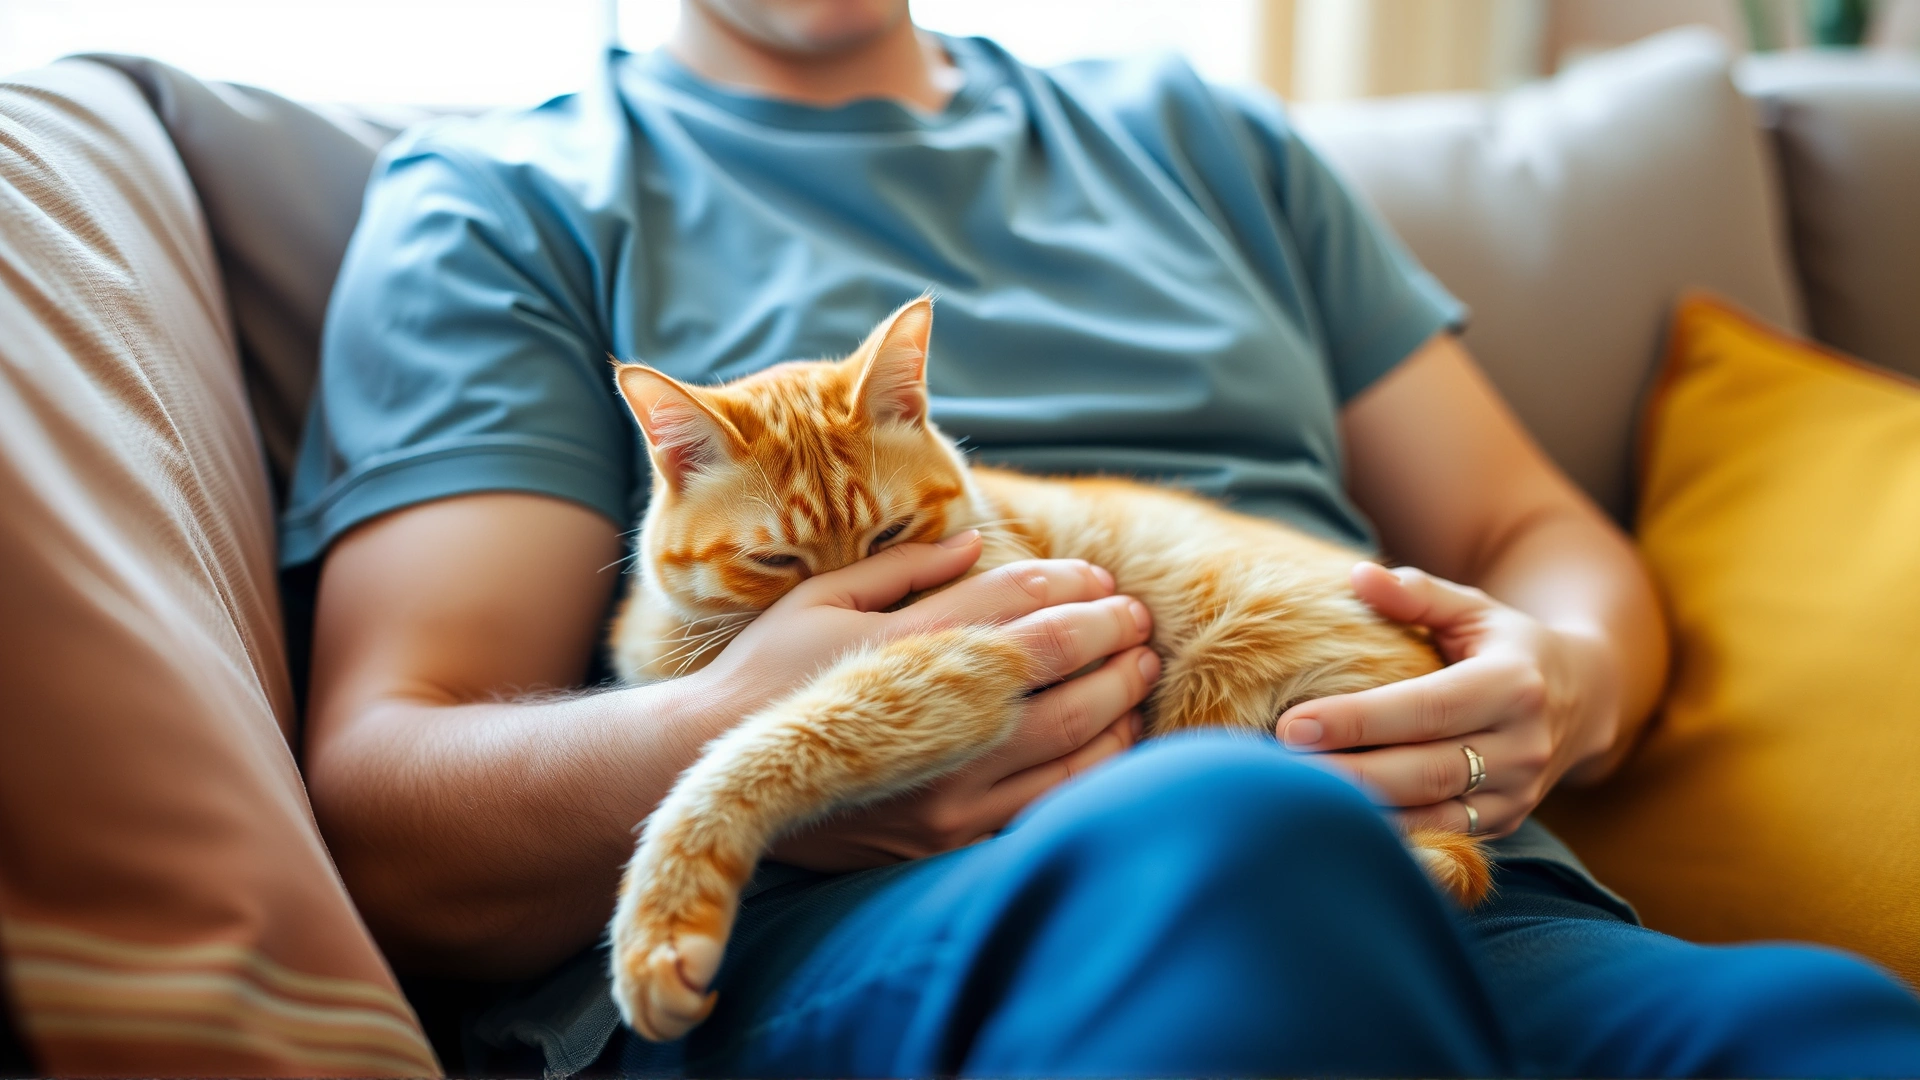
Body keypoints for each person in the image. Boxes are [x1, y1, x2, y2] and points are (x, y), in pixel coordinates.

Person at [287, 0, 1920, 1074]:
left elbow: (1525, 527)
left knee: (1823, 1023)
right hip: (883, 928)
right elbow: (390, 813)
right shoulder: (506, 196)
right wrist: (751, 737)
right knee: (1231, 846)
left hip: (1453, 875)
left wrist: (1563, 682)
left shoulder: (1201, 134)